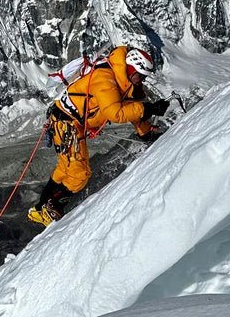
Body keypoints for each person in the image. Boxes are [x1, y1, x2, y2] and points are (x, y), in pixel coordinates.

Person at [28, 46, 169, 226]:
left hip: (66, 121)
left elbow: (131, 107)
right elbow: (116, 113)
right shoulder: (105, 79)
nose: (141, 80)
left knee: (66, 168)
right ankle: (51, 207)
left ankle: (42, 208)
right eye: (140, 76)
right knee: (79, 173)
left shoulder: (123, 81)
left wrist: (146, 132)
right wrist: (149, 109)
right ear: (131, 69)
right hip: (67, 123)